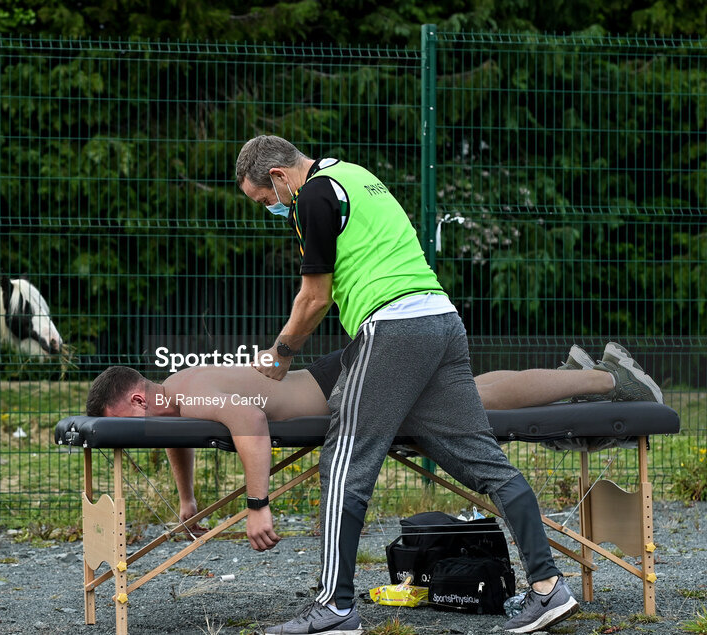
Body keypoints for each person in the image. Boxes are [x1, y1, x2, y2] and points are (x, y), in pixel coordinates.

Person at [233, 135, 582, 634]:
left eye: (266, 201)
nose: (272, 208)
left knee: (344, 463)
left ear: (278, 177)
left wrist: (281, 354)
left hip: (393, 329)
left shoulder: (310, 195)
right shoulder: (359, 176)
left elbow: (315, 296)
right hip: (441, 321)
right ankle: (549, 588)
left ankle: (334, 608)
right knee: (484, 461)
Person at [85, 342, 662, 540]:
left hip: (345, 387)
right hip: (336, 381)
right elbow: (175, 438)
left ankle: (611, 379)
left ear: (138, 400)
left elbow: (251, 426)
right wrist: (187, 499)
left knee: (476, 397)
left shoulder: (197, 394)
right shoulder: (175, 393)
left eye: (128, 423)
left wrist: (257, 505)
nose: (137, 433)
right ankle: (588, 375)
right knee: (477, 391)